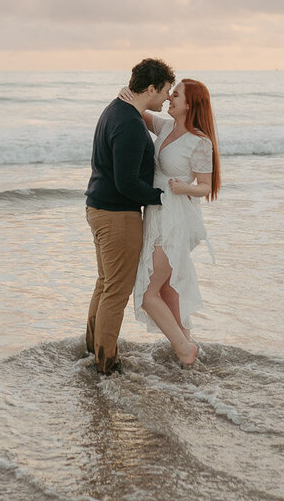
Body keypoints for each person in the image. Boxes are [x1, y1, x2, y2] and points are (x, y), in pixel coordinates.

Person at [84, 57, 175, 375]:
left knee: (105, 283)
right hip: (116, 216)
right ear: (151, 88)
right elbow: (127, 185)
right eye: (165, 91)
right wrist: (164, 197)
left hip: (100, 208)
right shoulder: (128, 124)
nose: (167, 97)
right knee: (117, 290)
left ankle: (93, 350)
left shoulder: (118, 109)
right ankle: (106, 363)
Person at [122, 78, 220, 368]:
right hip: (156, 211)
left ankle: (183, 349)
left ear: (190, 104)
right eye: (170, 92)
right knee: (166, 288)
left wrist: (184, 188)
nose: (169, 98)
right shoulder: (165, 127)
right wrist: (126, 93)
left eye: (176, 95)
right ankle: (188, 346)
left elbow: (206, 186)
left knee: (147, 292)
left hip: (176, 217)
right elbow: (139, 111)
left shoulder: (200, 141)